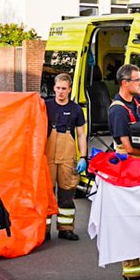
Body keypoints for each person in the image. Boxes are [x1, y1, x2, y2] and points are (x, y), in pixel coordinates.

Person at [106, 63, 140, 280]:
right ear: (124, 83)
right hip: (129, 169)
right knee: (133, 219)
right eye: (137, 80)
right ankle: (133, 272)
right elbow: (127, 147)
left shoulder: (136, 102)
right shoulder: (118, 110)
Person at [44, 72, 87, 241]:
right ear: (54, 88)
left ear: (69, 90)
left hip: (68, 157)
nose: (60, 92)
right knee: (46, 195)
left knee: (67, 194)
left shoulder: (76, 109)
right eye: (58, 88)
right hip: (47, 156)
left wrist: (83, 157)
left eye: (64, 89)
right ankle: (43, 230)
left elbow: (81, 134)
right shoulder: (45, 106)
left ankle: (65, 229)